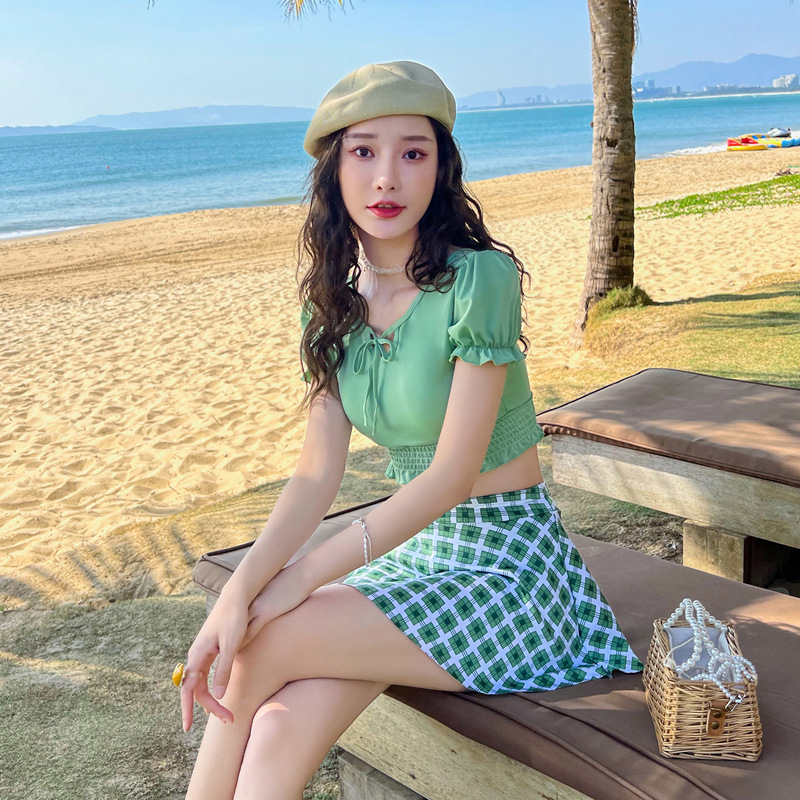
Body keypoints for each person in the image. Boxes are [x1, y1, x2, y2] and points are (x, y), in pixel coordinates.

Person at [178, 61, 643, 800]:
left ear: (440, 168)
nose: (387, 178)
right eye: (363, 152)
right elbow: (315, 475)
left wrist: (296, 582)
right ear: (334, 172)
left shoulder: (478, 280)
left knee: (258, 651)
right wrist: (240, 591)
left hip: (509, 570)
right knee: (274, 726)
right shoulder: (329, 308)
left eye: (413, 153)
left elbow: (451, 477)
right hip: (416, 557)